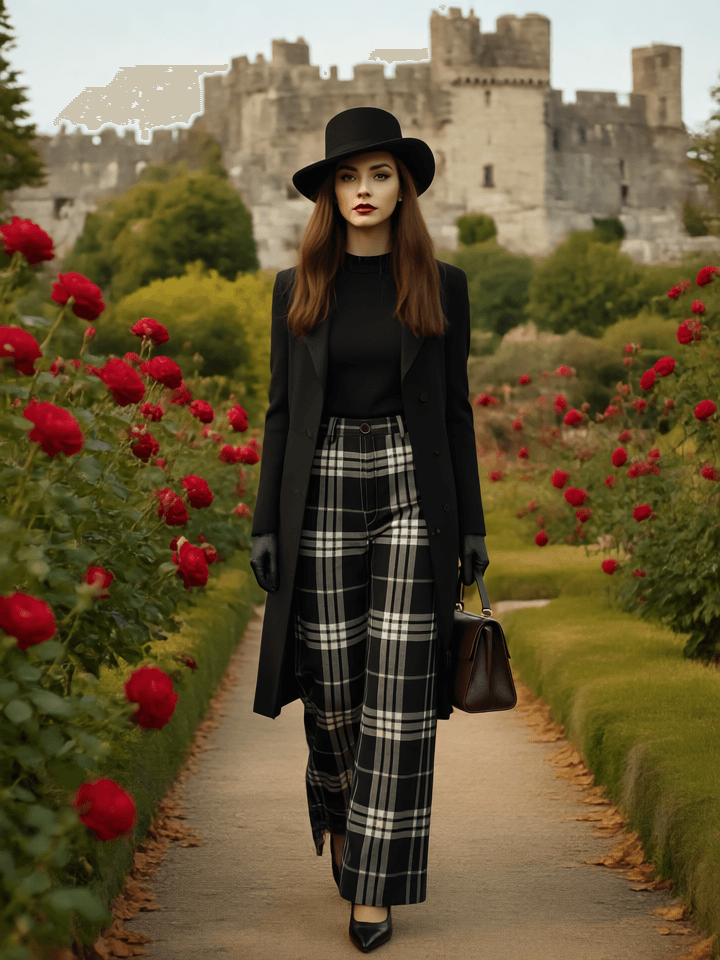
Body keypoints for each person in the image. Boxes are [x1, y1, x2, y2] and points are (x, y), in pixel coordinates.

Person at [250, 106, 489, 953]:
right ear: (328, 192)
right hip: (317, 486)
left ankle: (373, 888)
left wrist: (471, 523)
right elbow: (281, 414)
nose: (364, 191)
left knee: (397, 695)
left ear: (405, 186)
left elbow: (455, 413)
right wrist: (263, 524)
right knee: (335, 690)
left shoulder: (442, 284)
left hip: (411, 488)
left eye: (380, 175)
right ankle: (345, 823)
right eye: (348, 178)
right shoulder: (295, 286)